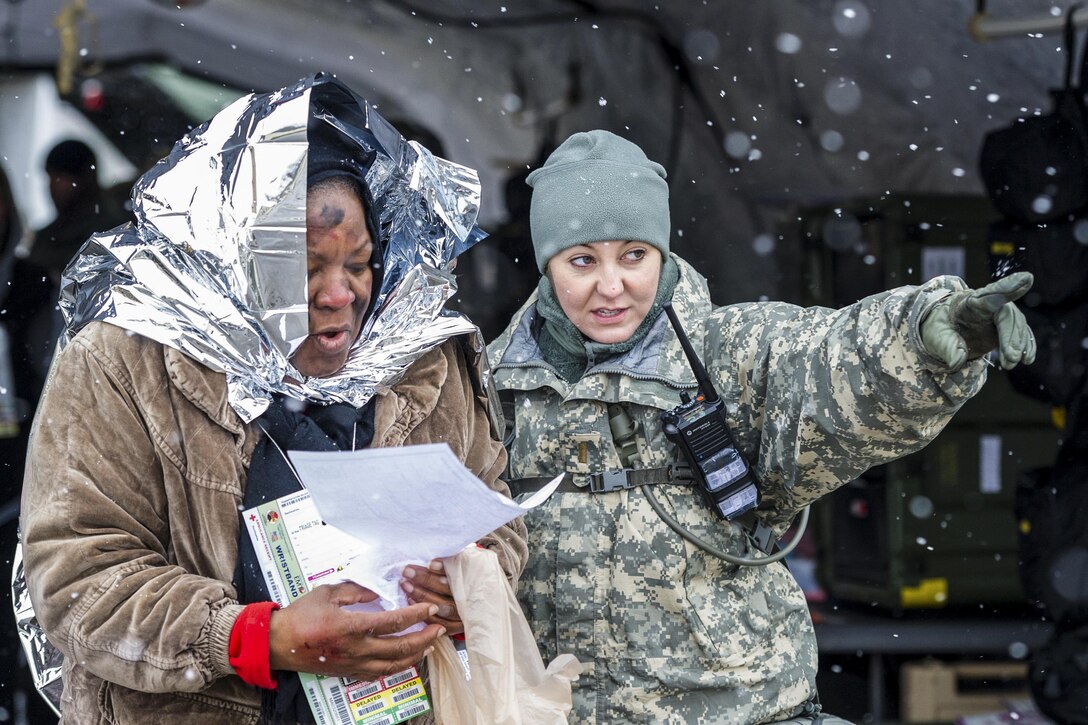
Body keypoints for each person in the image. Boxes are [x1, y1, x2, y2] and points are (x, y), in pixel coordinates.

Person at [20, 75, 526, 723]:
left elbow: (495, 520)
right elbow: (78, 578)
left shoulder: (421, 356)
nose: (341, 293)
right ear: (238, 254)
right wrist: (259, 636)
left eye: (359, 261)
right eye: (306, 266)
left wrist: (469, 585)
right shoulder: (124, 359)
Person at [486, 129, 1036, 724]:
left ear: (663, 255)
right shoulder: (488, 385)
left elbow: (829, 361)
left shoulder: (727, 353)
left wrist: (921, 335)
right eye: (583, 260)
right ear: (548, 266)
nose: (612, 285)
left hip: (731, 710)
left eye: (635, 255)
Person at [30, 139, 131, 284]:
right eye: (51, 177)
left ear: (82, 179)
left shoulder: (112, 233)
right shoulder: (46, 237)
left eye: (60, 177)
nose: (52, 186)